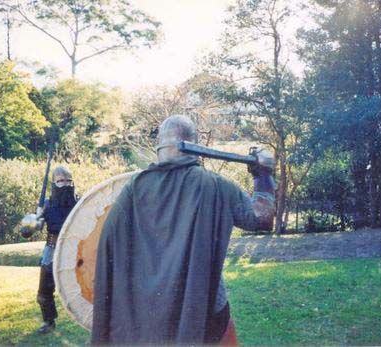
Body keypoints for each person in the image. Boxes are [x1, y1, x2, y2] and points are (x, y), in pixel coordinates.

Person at [91, 115, 276, 345]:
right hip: (204, 308)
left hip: (146, 314)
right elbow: (262, 218)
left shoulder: (133, 189)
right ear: (195, 146)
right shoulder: (214, 185)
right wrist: (264, 175)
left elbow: (107, 249)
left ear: (160, 146)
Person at [36, 165, 78, 334]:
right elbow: (30, 230)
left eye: (68, 180)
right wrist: (37, 218)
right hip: (52, 248)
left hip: (75, 248)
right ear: (54, 183)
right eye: (60, 181)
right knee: (44, 290)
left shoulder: (79, 202)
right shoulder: (47, 204)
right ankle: (49, 322)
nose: (65, 184)